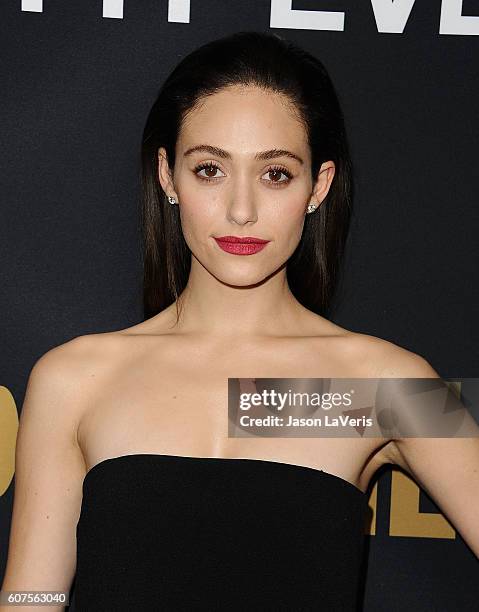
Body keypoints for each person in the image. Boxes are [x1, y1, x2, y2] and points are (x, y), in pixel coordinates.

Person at [1, 31, 478, 612]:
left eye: (275, 173)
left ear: (318, 186)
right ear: (167, 176)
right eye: (209, 170)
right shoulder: (74, 377)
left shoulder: (382, 387)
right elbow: (30, 597)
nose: (242, 210)